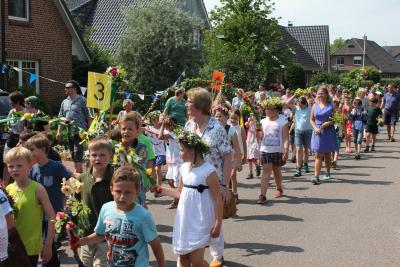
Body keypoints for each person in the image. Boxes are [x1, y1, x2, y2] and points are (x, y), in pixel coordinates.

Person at [77, 166, 166, 267]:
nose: (122, 196)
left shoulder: (143, 216)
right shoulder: (106, 209)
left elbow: (156, 245)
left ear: (137, 191)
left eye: (128, 192)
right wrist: (80, 241)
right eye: (118, 191)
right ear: (111, 189)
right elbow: (101, 234)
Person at [158, 131, 222, 267]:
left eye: (181, 150)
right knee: (183, 259)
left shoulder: (208, 170)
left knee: (197, 261)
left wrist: (218, 223)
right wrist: (162, 191)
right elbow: (181, 193)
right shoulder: (183, 168)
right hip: (185, 219)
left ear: (192, 150)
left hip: (201, 219)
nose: (179, 153)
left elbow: (217, 199)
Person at [184, 87, 232, 267]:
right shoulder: (189, 125)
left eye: (189, 101)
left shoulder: (216, 128)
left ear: (199, 105)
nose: (187, 105)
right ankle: (197, 251)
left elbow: (228, 156)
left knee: (213, 219)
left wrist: (225, 185)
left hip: (213, 183)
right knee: (195, 218)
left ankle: (217, 255)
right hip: (192, 181)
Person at [26, 134, 73, 267]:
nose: (30, 152)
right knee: (45, 241)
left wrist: (68, 189)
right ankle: (52, 263)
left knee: (48, 240)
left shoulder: (56, 166)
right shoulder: (33, 169)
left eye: (32, 149)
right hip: (38, 213)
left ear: (43, 149)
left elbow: (71, 178)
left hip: (54, 212)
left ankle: (48, 263)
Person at [5, 146, 56, 267]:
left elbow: (52, 217)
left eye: (19, 166)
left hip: (29, 247)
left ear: (30, 165)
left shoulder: (37, 189)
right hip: (10, 246)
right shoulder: (8, 189)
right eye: (11, 166)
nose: (14, 170)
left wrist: (48, 245)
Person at [77, 138, 114, 266]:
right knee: (85, 263)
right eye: (94, 155)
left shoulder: (115, 178)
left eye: (102, 155)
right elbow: (75, 204)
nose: (98, 158)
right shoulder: (82, 178)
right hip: (86, 233)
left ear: (111, 156)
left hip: (107, 236)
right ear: (89, 156)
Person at [257, 98, 289, 204]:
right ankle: (262, 195)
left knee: (276, 170)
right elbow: (261, 136)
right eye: (266, 109)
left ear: (275, 110)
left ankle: (279, 188)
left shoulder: (282, 121)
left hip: (278, 151)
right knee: (266, 171)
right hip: (265, 150)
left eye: (268, 109)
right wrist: (256, 130)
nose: (266, 111)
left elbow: (285, 137)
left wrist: (286, 150)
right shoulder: (263, 121)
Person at [57, 80, 91, 173]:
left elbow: (89, 116)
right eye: (65, 87)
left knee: (78, 154)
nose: (65, 89)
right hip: (70, 132)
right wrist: (59, 132)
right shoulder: (64, 102)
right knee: (72, 154)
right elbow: (61, 118)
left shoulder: (83, 100)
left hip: (80, 133)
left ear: (74, 89)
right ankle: (79, 174)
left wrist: (90, 131)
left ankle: (79, 175)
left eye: (67, 87)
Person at [116, 111, 150, 206]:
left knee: (136, 210)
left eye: (130, 129)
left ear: (137, 132)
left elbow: (137, 165)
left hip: (135, 186)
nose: (126, 132)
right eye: (124, 129)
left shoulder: (141, 147)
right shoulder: (117, 147)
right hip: (119, 185)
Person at [213, 105, 243, 203]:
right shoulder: (212, 130)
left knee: (231, 176)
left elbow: (237, 148)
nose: (218, 118)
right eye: (216, 116)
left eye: (220, 116)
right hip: (217, 161)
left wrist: (239, 162)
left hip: (230, 159)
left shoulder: (231, 130)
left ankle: (234, 194)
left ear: (226, 118)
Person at [310, 87, 337, 184]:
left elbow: (335, 119)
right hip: (317, 132)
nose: (320, 95)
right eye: (318, 93)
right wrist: (316, 128)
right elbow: (311, 119)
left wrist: (327, 124)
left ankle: (328, 172)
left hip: (328, 131)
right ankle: (316, 176)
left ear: (326, 94)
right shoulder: (314, 106)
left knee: (327, 154)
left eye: (322, 93)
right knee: (318, 154)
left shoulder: (331, 106)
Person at [2, 91, 26, 186]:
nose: (10, 103)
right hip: (10, 138)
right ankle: (4, 186)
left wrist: (20, 142)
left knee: (18, 163)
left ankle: (19, 185)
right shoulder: (11, 112)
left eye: (12, 101)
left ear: (18, 101)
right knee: (6, 162)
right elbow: (8, 124)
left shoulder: (25, 113)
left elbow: (26, 129)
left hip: (20, 140)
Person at [158, 116, 182, 209]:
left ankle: (177, 201)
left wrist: (163, 125)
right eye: (166, 125)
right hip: (171, 160)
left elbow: (160, 136)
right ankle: (176, 199)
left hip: (177, 161)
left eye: (168, 125)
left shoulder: (174, 133)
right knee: (170, 181)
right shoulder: (169, 132)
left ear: (173, 125)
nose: (166, 127)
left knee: (176, 183)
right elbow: (158, 133)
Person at [229, 109, 247, 203]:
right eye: (231, 118)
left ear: (239, 119)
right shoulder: (227, 128)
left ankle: (235, 194)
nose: (233, 120)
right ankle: (231, 193)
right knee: (229, 176)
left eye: (235, 118)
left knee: (232, 174)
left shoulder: (241, 129)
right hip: (229, 154)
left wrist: (245, 155)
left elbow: (244, 142)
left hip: (238, 154)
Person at [145, 111, 166, 187]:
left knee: (158, 169)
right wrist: (145, 123)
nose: (154, 121)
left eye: (156, 119)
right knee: (153, 170)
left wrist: (149, 129)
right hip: (152, 152)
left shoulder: (162, 129)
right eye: (153, 120)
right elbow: (143, 128)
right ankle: (154, 185)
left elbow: (158, 134)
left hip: (161, 152)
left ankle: (159, 186)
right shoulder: (149, 128)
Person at [293, 96, 312, 177]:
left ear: (305, 104)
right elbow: (286, 104)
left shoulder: (310, 109)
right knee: (298, 149)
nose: (299, 106)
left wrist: (310, 94)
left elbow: (317, 103)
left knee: (306, 149)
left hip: (308, 131)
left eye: (301, 105)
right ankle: (298, 168)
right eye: (299, 104)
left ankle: (306, 164)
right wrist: (294, 96)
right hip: (298, 131)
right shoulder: (296, 108)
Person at [245, 113, 261, 179]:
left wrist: (258, 139)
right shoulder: (249, 120)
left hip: (255, 139)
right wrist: (249, 121)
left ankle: (257, 166)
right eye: (251, 114)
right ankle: (251, 173)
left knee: (253, 155)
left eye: (253, 114)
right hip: (249, 139)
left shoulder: (257, 121)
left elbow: (258, 130)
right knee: (249, 157)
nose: (252, 116)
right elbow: (247, 126)